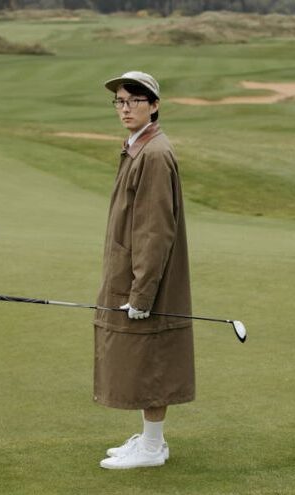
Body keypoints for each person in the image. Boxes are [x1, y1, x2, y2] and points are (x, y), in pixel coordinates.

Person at [94, 71, 195, 470]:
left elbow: (154, 232)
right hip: (133, 275)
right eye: (119, 101)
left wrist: (141, 294)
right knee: (143, 353)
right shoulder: (139, 147)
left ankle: (152, 449)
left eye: (135, 100)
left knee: (150, 353)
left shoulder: (153, 155)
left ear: (154, 105)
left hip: (145, 282)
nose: (125, 108)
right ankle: (150, 438)